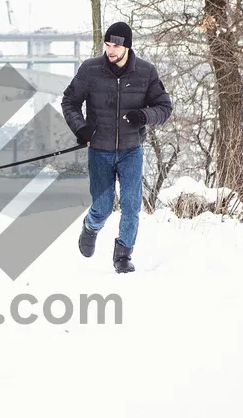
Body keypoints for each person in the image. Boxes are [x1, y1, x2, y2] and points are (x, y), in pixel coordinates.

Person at [61, 21, 173, 273]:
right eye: (108, 44)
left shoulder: (146, 72)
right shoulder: (90, 70)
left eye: (116, 46)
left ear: (127, 47)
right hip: (99, 150)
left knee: (132, 206)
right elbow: (69, 101)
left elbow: (165, 108)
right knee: (102, 207)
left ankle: (123, 255)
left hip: (131, 149)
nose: (111, 50)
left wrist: (144, 116)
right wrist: (81, 128)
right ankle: (91, 226)